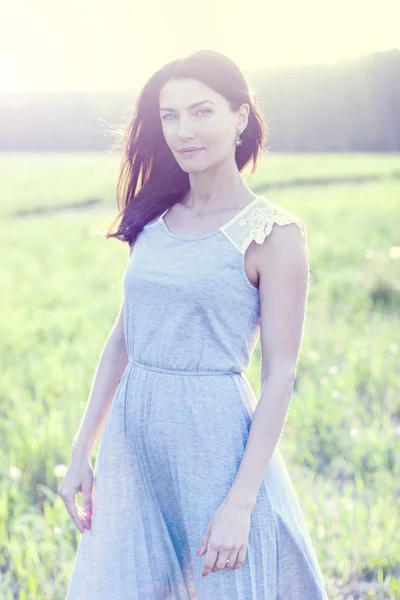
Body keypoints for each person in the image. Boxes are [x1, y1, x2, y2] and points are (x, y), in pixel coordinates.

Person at [59, 49, 328, 599]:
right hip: (133, 443)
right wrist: (82, 450)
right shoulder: (153, 221)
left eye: (202, 111)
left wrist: (241, 501)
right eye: (170, 116)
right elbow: (123, 337)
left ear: (240, 118)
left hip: (213, 441)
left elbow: (280, 375)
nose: (184, 130)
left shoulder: (272, 234)